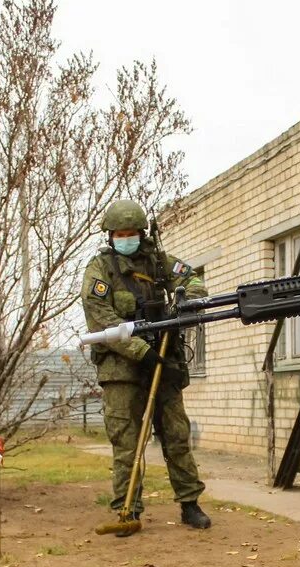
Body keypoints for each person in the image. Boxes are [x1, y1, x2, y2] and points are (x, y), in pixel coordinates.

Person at [82, 199, 212, 533]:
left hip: (164, 359)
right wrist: (142, 351)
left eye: (132, 233)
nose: (126, 238)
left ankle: (189, 504)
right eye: (120, 234)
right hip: (122, 370)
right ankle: (129, 510)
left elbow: (194, 280)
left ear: (142, 233)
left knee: (176, 434)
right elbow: (103, 320)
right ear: (110, 236)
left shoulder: (158, 263)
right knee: (126, 441)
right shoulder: (100, 270)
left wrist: (185, 298)